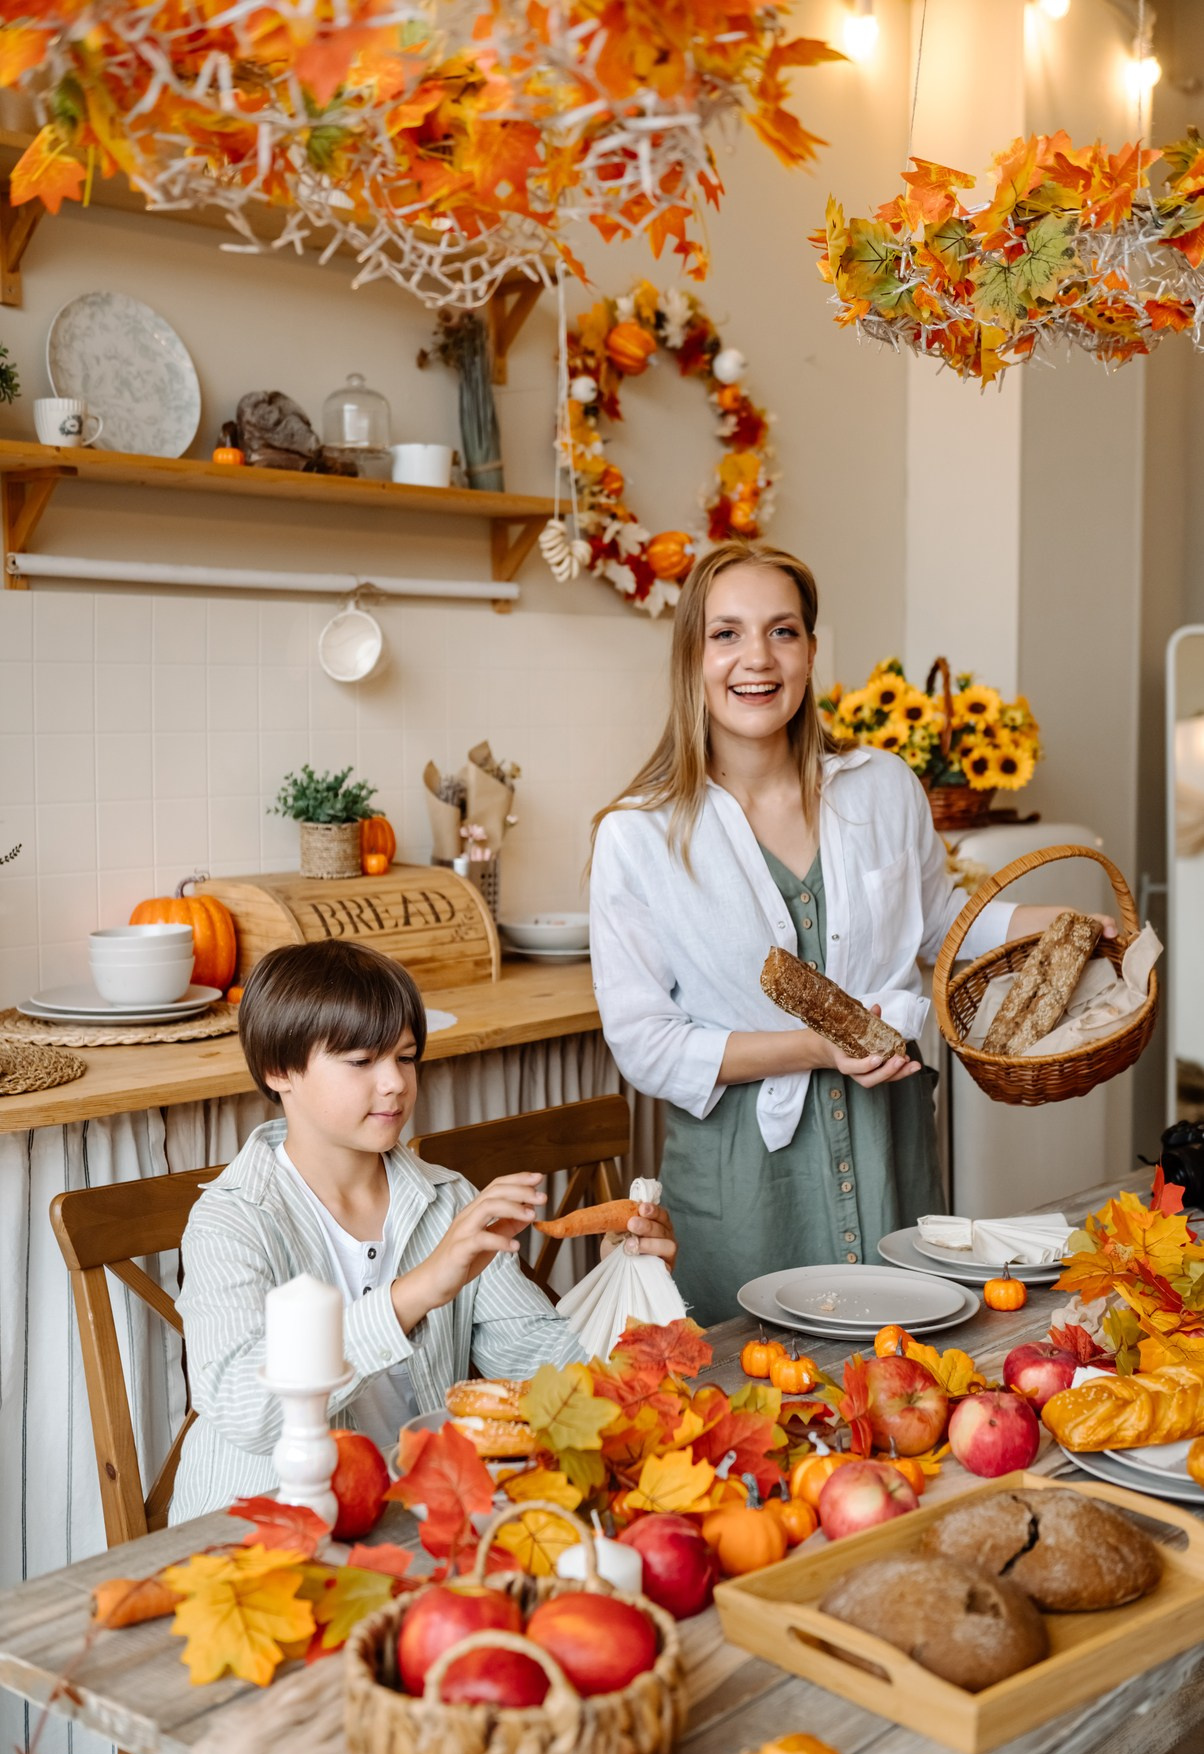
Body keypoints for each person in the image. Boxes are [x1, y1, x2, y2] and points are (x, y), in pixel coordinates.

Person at [588, 542, 1114, 1327]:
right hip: (747, 1183)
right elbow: (645, 1044)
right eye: (726, 634)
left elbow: (938, 922)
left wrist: (1067, 926)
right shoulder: (639, 835)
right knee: (755, 1385)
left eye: (782, 631)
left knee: (911, 1368)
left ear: (810, 651)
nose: (757, 658)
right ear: (691, 658)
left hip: (888, 1149)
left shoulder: (882, 787)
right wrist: (814, 1047)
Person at [171, 939, 676, 1521]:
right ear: (278, 1070)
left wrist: (635, 1287)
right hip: (260, 1532)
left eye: (406, 1057)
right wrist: (415, 1293)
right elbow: (246, 1413)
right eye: (361, 1061)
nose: (394, 1082)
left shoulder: (448, 1200)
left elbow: (555, 1382)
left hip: (419, 1516)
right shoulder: (232, 1221)